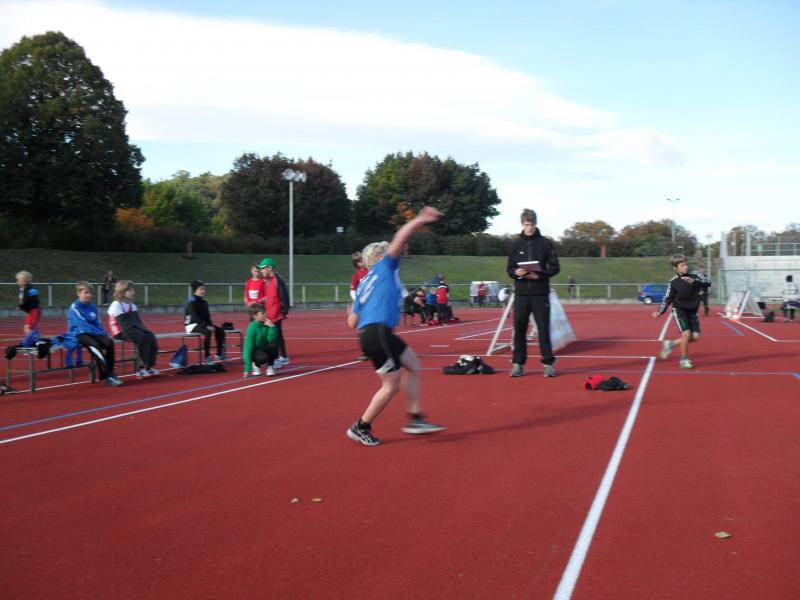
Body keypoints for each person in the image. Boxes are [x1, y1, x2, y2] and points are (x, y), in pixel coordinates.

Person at [346, 206, 447, 446]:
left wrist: (352, 310)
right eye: (389, 251)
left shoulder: (364, 284)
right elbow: (400, 237)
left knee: (413, 363)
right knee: (390, 387)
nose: (397, 252)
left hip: (373, 333)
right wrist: (420, 219)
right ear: (379, 257)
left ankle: (415, 418)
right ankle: (361, 426)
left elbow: (352, 323)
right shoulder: (385, 267)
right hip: (377, 333)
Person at [506, 208, 560, 378]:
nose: (529, 227)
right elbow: (509, 269)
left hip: (540, 294)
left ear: (536, 224)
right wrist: (516, 272)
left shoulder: (546, 244)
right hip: (521, 294)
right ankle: (518, 364)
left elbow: (555, 267)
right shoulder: (515, 245)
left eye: (531, 224)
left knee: (543, 329)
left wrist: (540, 275)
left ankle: (548, 364)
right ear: (522, 224)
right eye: (526, 224)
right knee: (519, 330)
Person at [653, 254, 709, 369]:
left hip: (692, 311)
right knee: (686, 334)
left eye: (686, 264)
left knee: (696, 336)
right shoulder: (674, 282)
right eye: (682, 265)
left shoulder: (695, 275)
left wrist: (694, 281)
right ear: (675, 267)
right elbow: (667, 299)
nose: (685, 267)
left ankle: (670, 344)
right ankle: (684, 359)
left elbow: (708, 282)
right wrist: (660, 311)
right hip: (679, 310)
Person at [69, 281, 123, 386]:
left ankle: (109, 372)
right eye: (86, 292)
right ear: (78, 293)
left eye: (90, 293)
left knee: (109, 342)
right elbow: (82, 325)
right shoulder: (74, 307)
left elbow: (98, 324)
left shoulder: (93, 307)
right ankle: (108, 376)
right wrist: (97, 334)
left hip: (93, 333)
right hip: (79, 334)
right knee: (95, 345)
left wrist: (103, 334)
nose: (89, 295)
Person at [108, 280, 159, 378]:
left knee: (150, 335)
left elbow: (138, 323)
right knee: (141, 337)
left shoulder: (132, 305)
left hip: (131, 328)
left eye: (132, 290)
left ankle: (150, 366)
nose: (133, 292)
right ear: (122, 292)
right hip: (119, 331)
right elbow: (123, 325)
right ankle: (140, 369)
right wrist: (140, 332)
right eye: (129, 290)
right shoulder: (116, 304)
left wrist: (146, 331)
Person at [257, 258, 290, 366]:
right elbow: (271, 296)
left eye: (263, 268)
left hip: (276, 314)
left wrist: (283, 311)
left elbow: (284, 296)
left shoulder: (277, 280)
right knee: (276, 337)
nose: (261, 271)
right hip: (269, 313)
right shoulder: (267, 280)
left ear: (269, 268)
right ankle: (283, 357)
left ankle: (276, 360)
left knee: (273, 338)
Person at [184, 280, 226, 365]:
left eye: (203, 289)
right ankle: (207, 357)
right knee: (208, 332)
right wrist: (207, 326)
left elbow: (207, 317)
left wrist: (210, 324)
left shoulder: (204, 302)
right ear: (195, 290)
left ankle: (219, 354)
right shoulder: (191, 302)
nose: (203, 291)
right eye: (201, 289)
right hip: (191, 325)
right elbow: (195, 318)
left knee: (220, 330)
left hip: (202, 324)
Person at [4, 271, 42, 360]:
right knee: (26, 328)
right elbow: (27, 301)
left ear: (24, 281)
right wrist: (23, 306)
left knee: (29, 329)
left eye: (19, 280)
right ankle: (35, 342)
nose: (17, 282)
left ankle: (38, 343)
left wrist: (22, 306)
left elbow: (29, 301)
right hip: (32, 311)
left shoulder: (28, 289)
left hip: (34, 311)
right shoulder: (26, 289)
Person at [242, 303, 279, 377]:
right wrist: (247, 369)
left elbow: (270, 340)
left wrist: (272, 328)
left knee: (274, 344)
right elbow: (248, 348)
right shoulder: (252, 328)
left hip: (264, 348)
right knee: (263, 358)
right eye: (262, 313)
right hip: (255, 351)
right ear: (255, 316)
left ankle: (270, 367)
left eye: (265, 313)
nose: (265, 315)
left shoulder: (267, 324)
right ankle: (256, 365)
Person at [350, 251, 370, 360]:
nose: (362, 262)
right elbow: (352, 291)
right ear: (356, 264)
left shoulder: (372, 271)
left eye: (362, 259)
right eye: (359, 261)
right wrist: (358, 301)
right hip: (363, 306)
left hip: (373, 304)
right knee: (363, 329)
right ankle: (366, 352)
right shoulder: (356, 275)